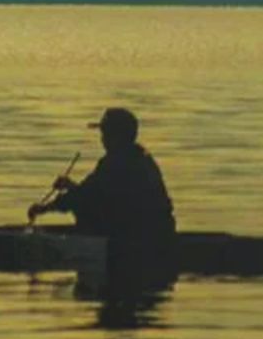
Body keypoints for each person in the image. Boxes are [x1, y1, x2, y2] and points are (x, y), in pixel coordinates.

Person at [29, 108, 176, 274]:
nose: (103, 139)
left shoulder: (116, 163)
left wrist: (44, 208)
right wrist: (71, 187)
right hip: (158, 231)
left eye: (106, 133)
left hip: (133, 237)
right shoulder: (140, 158)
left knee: (87, 212)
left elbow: (84, 197)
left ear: (115, 136)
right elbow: (97, 193)